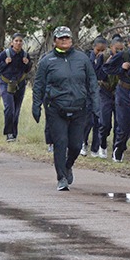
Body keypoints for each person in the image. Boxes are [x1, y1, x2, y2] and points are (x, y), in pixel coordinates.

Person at [32, 26, 99, 191]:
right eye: (61, 38)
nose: (64, 41)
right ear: (54, 41)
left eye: (67, 38)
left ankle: (68, 165)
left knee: (76, 145)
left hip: (79, 108)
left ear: (71, 40)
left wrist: (96, 104)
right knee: (60, 142)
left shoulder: (82, 59)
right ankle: (61, 177)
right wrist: (36, 105)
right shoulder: (47, 61)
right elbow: (38, 85)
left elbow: (92, 83)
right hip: (56, 108)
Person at [102, 33, 130, 163]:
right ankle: (119, 148)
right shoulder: (123, 55)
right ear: (129, 43)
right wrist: (121, 68)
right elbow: (107, 68)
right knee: (124, 125)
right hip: (124, 92)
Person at [0, 33, 32, 142]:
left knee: (16, 110)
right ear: (12, 42)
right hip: (6, 84)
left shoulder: (25, 55)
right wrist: (5, 63)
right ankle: (9, 133)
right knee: (9, 108)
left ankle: (14, 134)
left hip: (19, 84)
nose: (18, 43)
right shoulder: (5, 54)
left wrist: (27, 64)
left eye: (20, 41)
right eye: (16, 41)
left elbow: (27, 70)